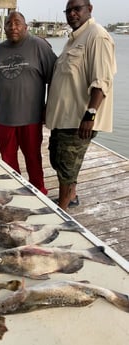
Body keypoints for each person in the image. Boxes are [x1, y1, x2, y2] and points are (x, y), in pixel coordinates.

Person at [46, 0, 117, 211]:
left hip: (78, 118)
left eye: (77, 9)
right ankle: (72, 196)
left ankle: (62, 211)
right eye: (68, 11)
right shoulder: (74, 39)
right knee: (58, 160)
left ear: (89, 9)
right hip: (63, 117)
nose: (72, 14)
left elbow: (102, 80)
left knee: (67, 166)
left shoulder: (97, 36)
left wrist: (91, 114)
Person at [0, 11, 57, 195]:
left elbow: (55, 80)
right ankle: (14, 192)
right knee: (7, 160)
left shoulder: (39, 46)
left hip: (31, 118)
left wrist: (48, 106)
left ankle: (39, 192)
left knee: (33, 158)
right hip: (5, 118)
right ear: (4, 28)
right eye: (8, 24)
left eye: (17, 23)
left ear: (26, 27)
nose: (13, 27)